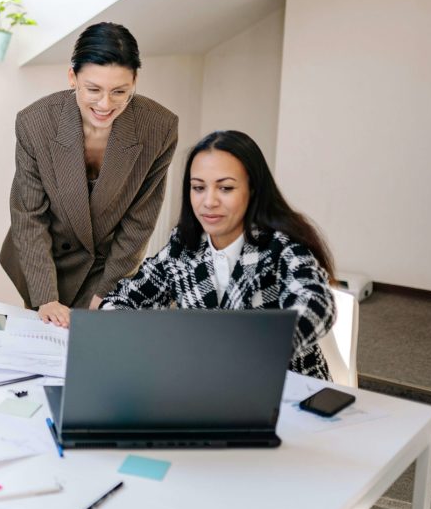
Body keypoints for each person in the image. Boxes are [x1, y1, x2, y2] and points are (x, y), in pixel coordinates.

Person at [100, 130, 337, 379]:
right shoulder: (183, 246)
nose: (209, 201)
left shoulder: (282, 245)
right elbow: (125, 298)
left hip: (288, 390)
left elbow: (316, 303)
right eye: (198, 188)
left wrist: (263, 345)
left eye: (225, 188)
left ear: (253, 190)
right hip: (209, 389)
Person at [0, 22, 178, 327]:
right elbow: (29, 216)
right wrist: (46, 297)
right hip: (44, 261)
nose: (105, 104)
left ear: (135, 80)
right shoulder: (35, 123)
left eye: (119, 91)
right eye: (93, 89)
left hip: (106, 265)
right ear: (73, 77)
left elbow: (140, 221)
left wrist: (106, 294)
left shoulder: (159, 128)